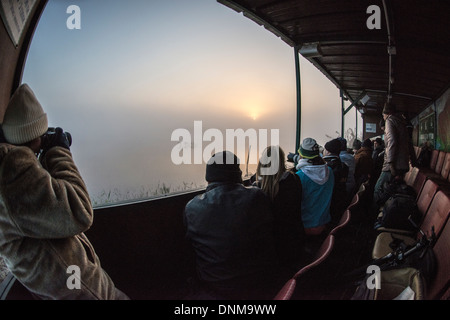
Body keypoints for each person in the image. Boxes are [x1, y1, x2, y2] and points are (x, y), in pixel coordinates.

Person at [0, 84, 128, 300]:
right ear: (33, 137)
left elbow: (47, 203)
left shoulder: (15, 172)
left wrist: (40, 154)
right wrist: (59, 152)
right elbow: (80, 211)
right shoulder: (13, 173)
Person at [183, 151, 279, 300]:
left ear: (209, 177)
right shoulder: (258, 197)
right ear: (238, 175)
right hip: (259, 284)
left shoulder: (192, 207)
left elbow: (190, 249)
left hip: (214, 288)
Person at [254, 146, 306, 274]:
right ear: (282, 161)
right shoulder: (293, 180)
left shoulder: (256, 188)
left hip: (270, 245)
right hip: (293, 241)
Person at [373, 102, 416, 206]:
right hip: (402, 164)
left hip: (393, 165)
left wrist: (391, 163)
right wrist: (413, 158)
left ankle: (374, 216)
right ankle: (388, 212)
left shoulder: (389, 121)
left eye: (383, 115)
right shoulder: (401, 122)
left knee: (378, 189)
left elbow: (392, 142)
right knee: (391, 190)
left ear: (386, 113)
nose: (383, 117)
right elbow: (409, 142)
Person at [296, 138, 334, 247]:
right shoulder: (330, 172)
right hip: (324, 223)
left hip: (306, 226)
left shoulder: (300, 177)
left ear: (301, 155)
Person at [323, 138, 349, 223]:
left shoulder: (328, 169)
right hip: (340, 203)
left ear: (328, 152)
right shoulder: (344, 166)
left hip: (330, 206)